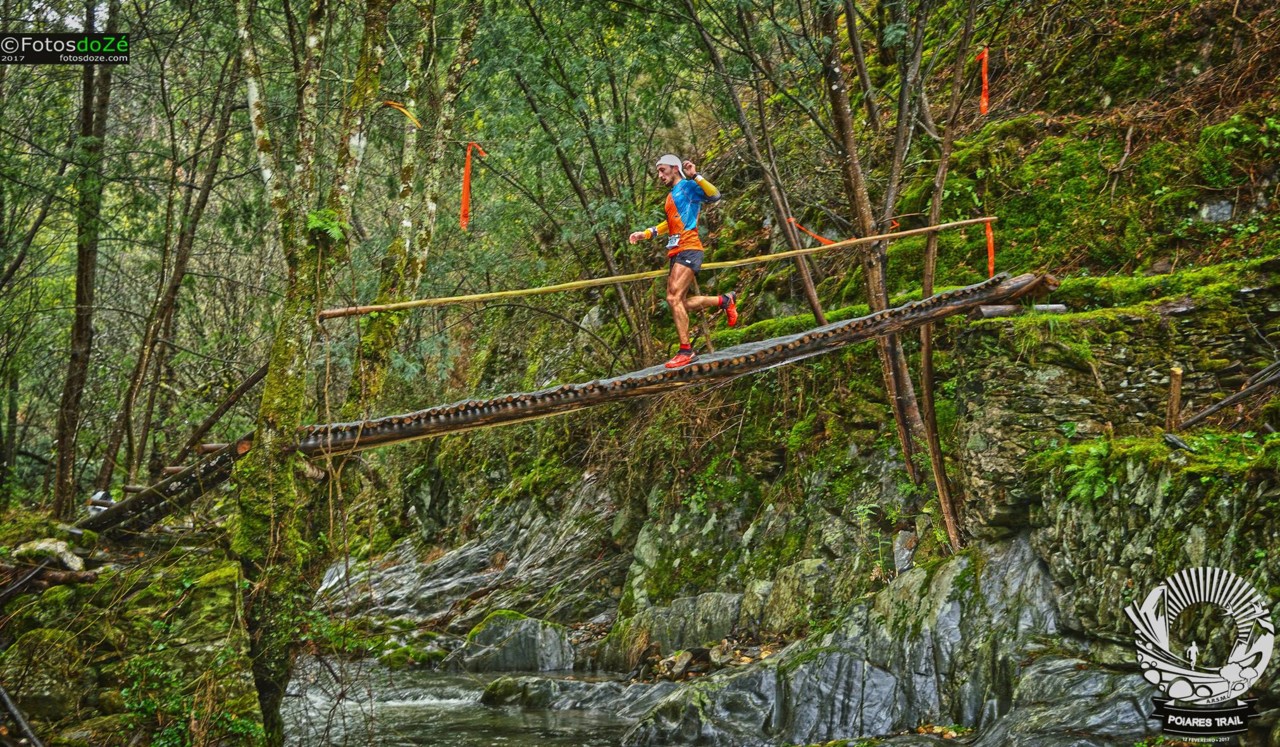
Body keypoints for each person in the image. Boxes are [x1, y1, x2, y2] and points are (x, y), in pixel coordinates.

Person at [629, 154, 738, 369]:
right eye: (658, 171)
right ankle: (724, 301)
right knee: (680, 302)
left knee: (672, 298)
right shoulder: (670, 197)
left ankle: (686, 351)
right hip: (676, 251)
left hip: (689, 247)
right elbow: (670, 222)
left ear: (675, 168)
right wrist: (647, 233)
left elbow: (715, 196)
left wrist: (696, 175)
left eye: (663, 170)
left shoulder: (688, 187)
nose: (660, 175)